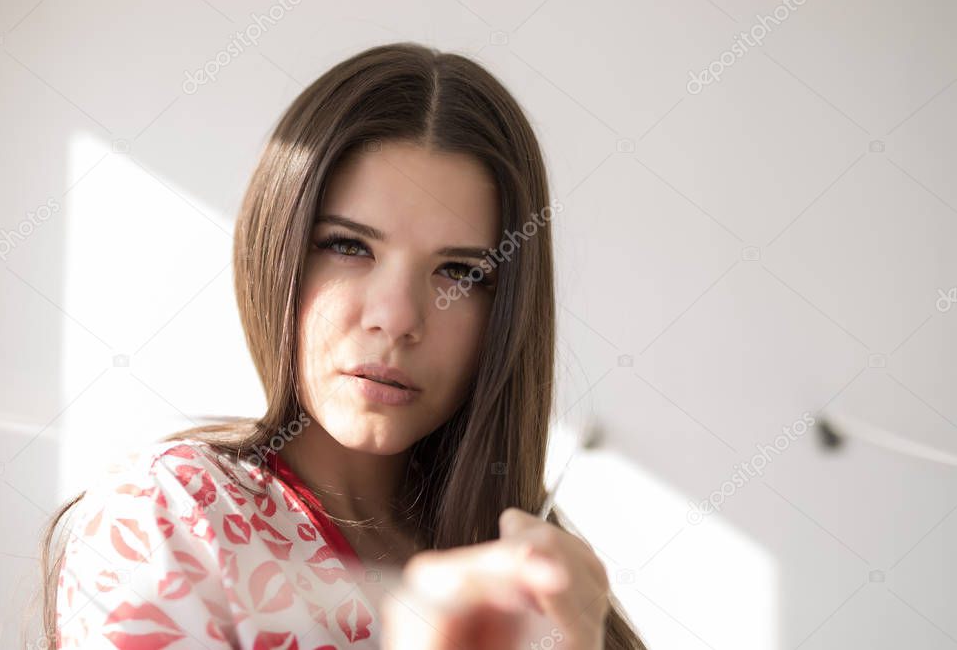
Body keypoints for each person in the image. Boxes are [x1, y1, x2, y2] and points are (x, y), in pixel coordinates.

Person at [34, 41, 647, 649]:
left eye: (461, 273)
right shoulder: (171, 516)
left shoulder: (535, 577)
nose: (399, 317)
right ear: (280, 251)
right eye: (350, 246)